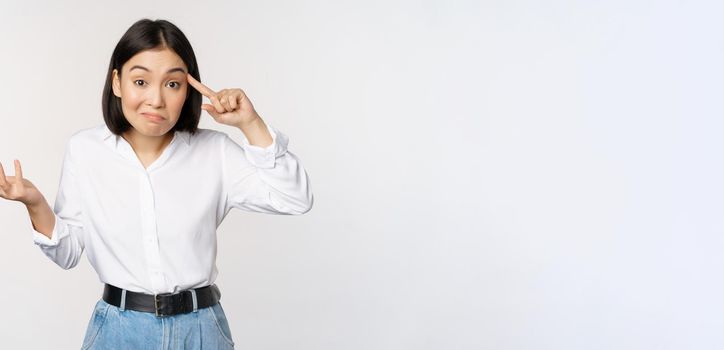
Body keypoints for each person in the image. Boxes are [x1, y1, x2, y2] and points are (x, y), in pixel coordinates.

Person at [0, 18, 313, 349]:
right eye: (141, 81)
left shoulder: (214, 152)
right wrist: (34, 203)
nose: (156, 100)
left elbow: (295, 199)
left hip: (201, 330)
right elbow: (67, 254)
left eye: (173, 84)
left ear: (188, 89)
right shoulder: (85, 150)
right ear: (117, 82)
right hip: (119, 331)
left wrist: (251, 123)